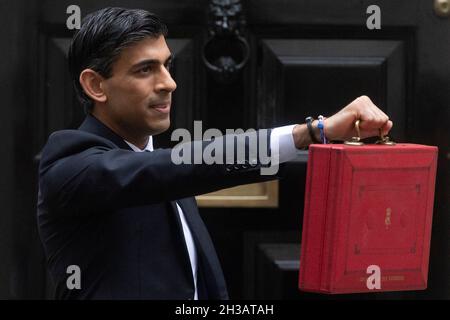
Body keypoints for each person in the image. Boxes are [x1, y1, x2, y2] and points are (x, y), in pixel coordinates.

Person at [37, 7, 393, 300]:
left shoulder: (162, 166)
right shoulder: (70, 164)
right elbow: (172, 167)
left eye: (166, 65)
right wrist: (311, 132)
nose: (168, 83)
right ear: (95, 85)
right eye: (145, 69)